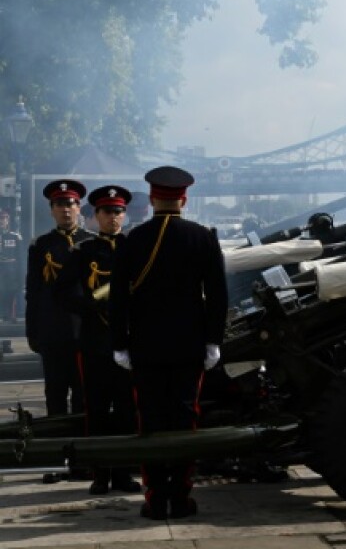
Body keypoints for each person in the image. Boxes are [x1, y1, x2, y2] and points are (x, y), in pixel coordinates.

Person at [109, 166, 227, 520]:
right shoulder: (203, 237)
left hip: (145, 348)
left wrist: (120, 344)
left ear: (152, 199)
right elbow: (218, 296)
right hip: (189, 347)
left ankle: (155, 498)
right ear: (184, 199)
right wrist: (213, 341)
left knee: (151, 420)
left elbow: (118, 299)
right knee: (185, 419)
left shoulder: (132, 239)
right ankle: (180, 496)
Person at [57, 186, 141, 495]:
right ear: (96, 216)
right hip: (94, 341)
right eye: (107, 212)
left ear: (124, 215)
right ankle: (100, 474)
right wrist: (92, 303)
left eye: (118, 211)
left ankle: (122, 473)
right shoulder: (83, 251)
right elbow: (64, 293)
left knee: (126, 411)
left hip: (128, 342)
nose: (113, 217)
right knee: (95, 410)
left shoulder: (134, 248)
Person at [26, 179, 92, 483]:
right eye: (60, 205)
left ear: (79, 208)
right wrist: (33, 331)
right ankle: (56, 459)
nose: (67, 209)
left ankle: (83, 460)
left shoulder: (92, 243)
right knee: (55, 396)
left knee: (83, 398)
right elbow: (34, 291)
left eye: (72, 204)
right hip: (53, 331)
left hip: (84, 332)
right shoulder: (41, 246)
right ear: (52, 210)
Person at [0, 209, 21, 322]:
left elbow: (20, 256)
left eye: (4, 218)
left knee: (10, 292)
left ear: (8, 220)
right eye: (0, 218)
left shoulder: (15, 236)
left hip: (10, 270)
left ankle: (10, 315)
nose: (1, 221)